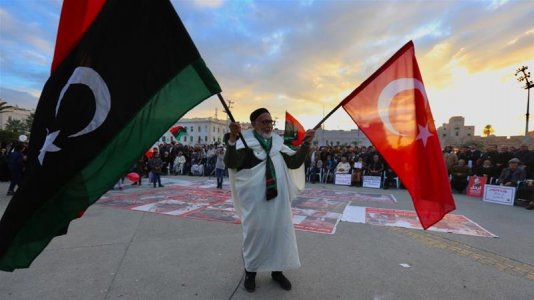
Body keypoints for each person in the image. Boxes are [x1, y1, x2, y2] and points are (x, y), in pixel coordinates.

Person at [224, 108, 315, 293]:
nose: (268, 125)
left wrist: (306, 143)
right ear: (254, 124)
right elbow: (232, 163)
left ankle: (277, 271)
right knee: (255, 236)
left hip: (278, 201)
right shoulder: (245, 142)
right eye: (264, 122)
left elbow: (294, 162)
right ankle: (251, 273)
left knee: (279, 234)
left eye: (270, 122)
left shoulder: (278, 144)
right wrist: (232, 139)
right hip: (255, 202)